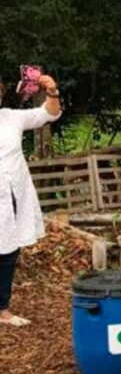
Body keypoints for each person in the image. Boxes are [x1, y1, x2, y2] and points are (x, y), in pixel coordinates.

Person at [0, 73, 61, 326]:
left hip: (10, 194)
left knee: (8, 251)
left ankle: (2, 310)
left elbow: (49, 114)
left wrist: (52, 91)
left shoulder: (11, 118)